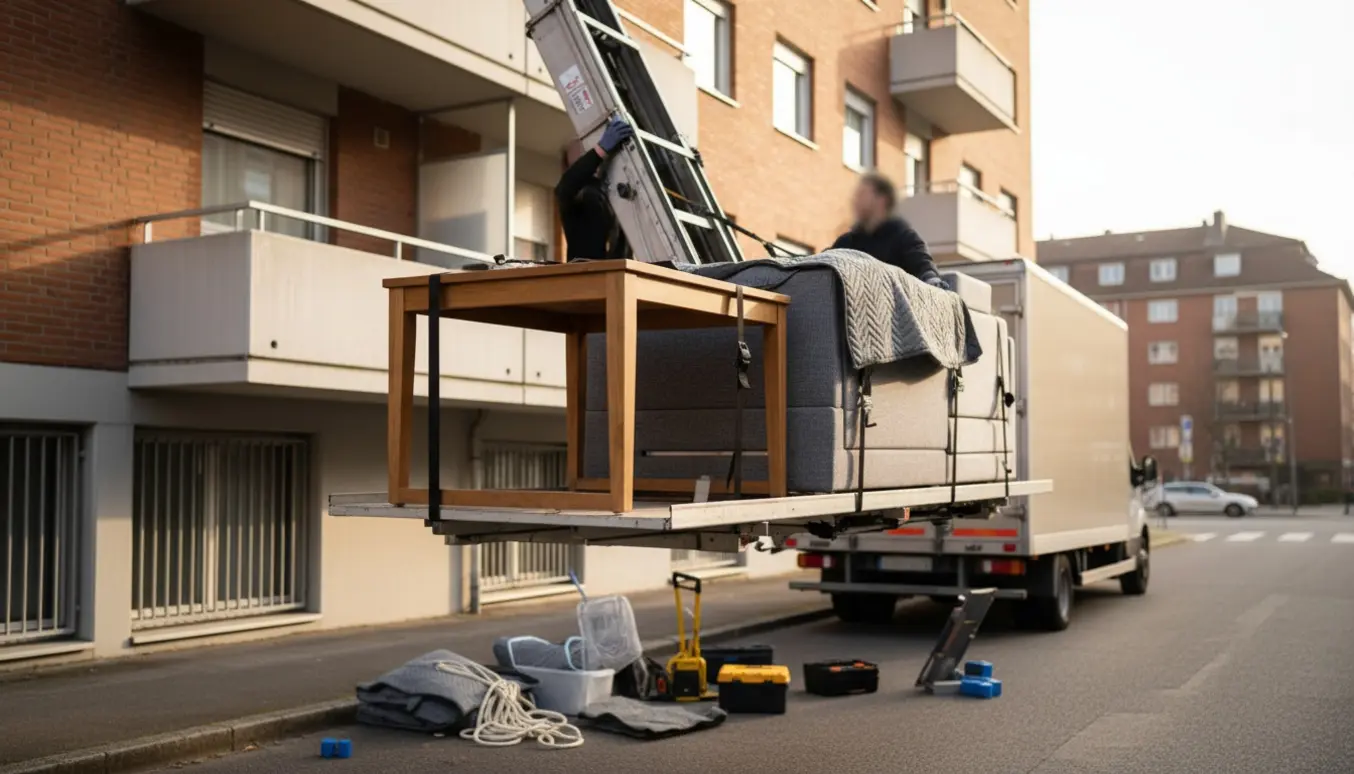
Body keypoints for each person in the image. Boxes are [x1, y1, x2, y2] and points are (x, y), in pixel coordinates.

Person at [831, 173, 947, 288]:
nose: (855, 200)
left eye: (862, 194)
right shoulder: (847, 243)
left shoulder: (904, 238)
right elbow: (824, 263)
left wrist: (931, 279)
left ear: (882, 200)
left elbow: (923, 265)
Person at [556, 115, 635, 261]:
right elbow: (568, 184)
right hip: (586, 276)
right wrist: (599, 151)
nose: (586, 151)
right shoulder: (574, 194)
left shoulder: (613, 190)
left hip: (619, 276)